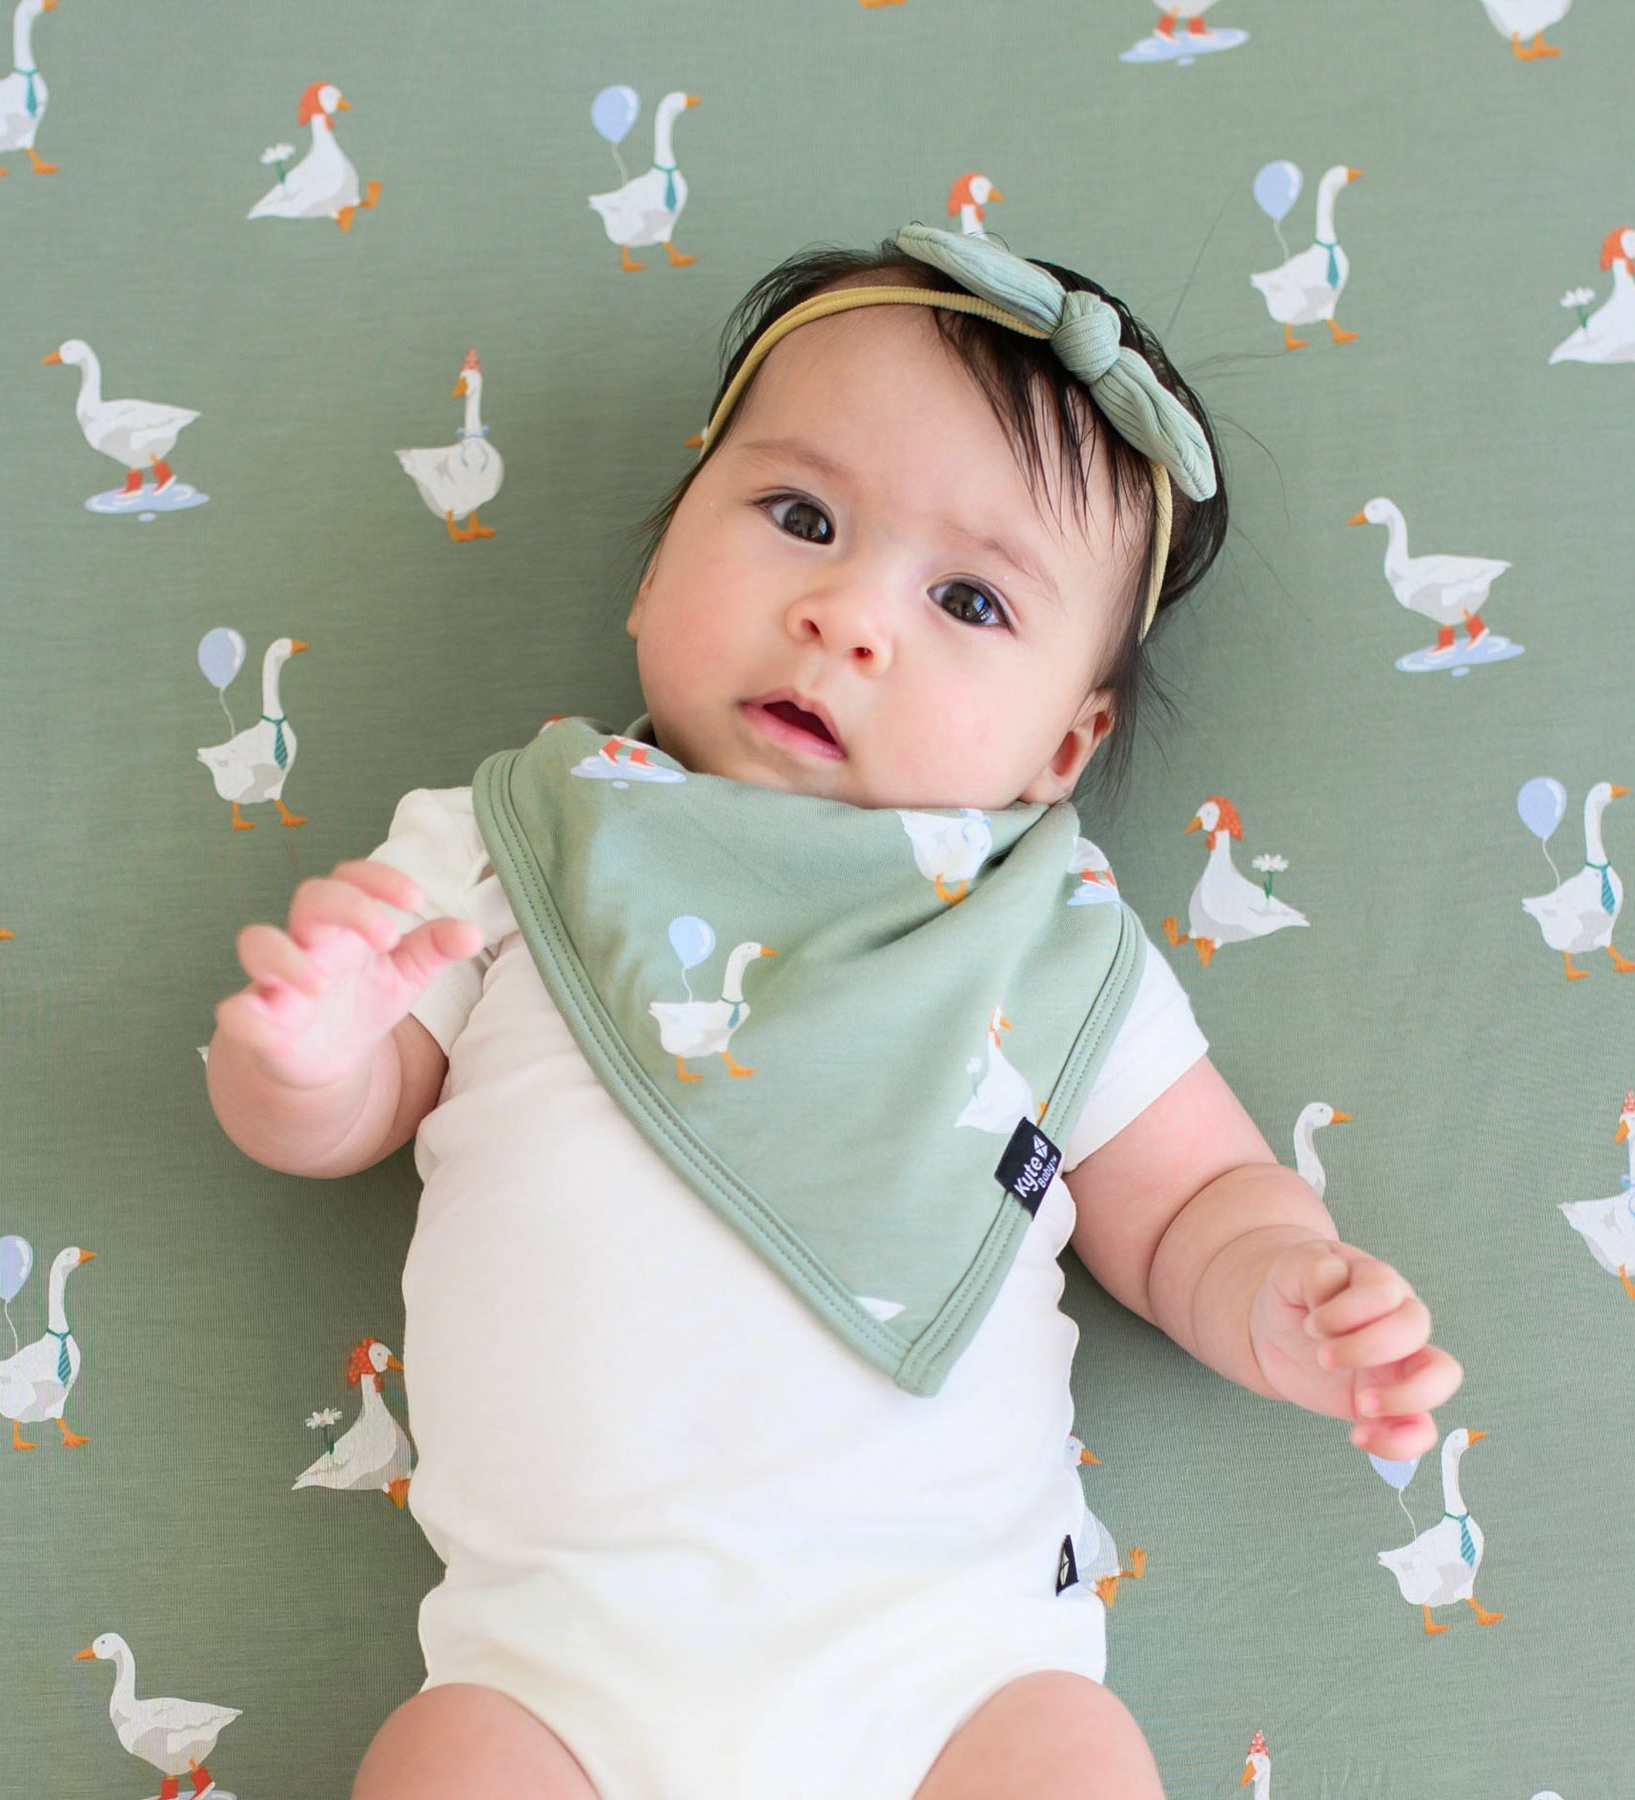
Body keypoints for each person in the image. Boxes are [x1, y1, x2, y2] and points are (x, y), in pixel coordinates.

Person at [206, 224, 1462, 1800]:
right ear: (659, 563)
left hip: (954, 1674)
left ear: (1064, 750)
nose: (849, 615)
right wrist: (308, 1058)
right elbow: (356, 1104)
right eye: (800, 517)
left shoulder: (1050, 943)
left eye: (971, 601)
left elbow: (1193, 1200)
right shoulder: (520, 834)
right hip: (557, 1678)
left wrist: (1279, 1287)